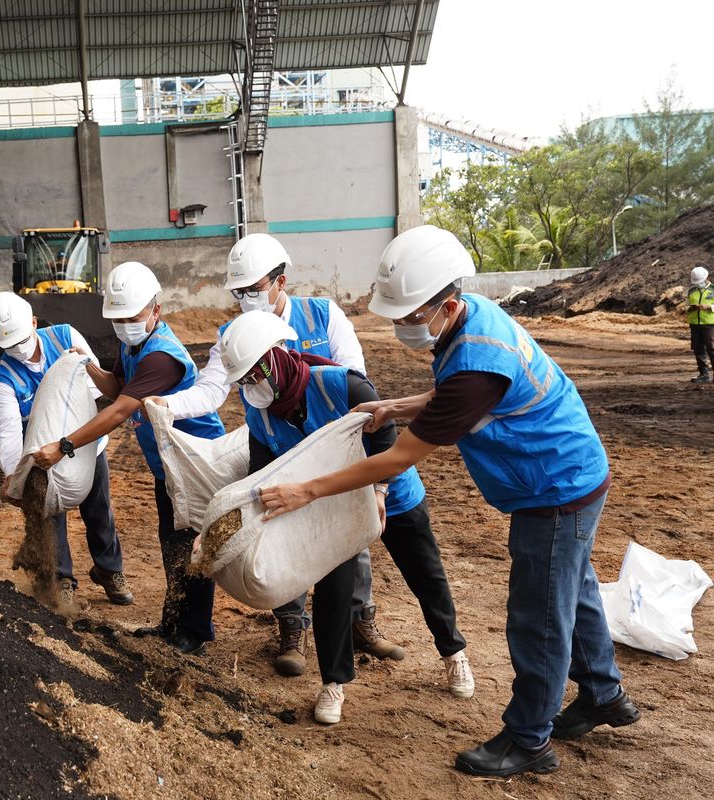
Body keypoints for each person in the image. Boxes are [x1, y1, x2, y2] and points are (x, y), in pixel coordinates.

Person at [257, 225, 639, 776]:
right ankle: (604, 694)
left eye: (410, 317)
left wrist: (306, 489)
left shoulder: (475, 361)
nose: (401, 328)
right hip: (567, 476)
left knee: (540, 616)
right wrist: (398, 405)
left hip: (554, 488)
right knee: (573, 592)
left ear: (447, 304)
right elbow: (451, 391)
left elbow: (395, 460)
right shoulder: (470, 322)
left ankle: (529, 738)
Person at [150, 233, 403, 673]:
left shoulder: (324, 317)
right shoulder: (232, 334)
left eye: (253, 288)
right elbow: (212, 389)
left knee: (347, 530)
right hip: (276, 446)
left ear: (280, 282)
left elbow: (355, 380)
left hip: (330, 449)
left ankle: (361, 620)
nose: (245, 299)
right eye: (238, 291)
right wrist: (170, 405)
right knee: (282, 530)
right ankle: (292, 629)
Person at [215, 310, 473, 724]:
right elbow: (262, 473)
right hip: (330, 505)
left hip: (391, 493)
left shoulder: (339, 383)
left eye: (253, 373)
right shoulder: (259, 413)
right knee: (333, 589)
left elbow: (385, 435)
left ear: (277, 355)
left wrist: (379, 491)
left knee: (426, 575)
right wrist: (224, 523)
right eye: (243, 379)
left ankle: (453, 652)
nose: (251, 385)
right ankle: (334, 683)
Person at [32, 262, 225, 654]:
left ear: (156, 309)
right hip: (167, 465)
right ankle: (173, 625)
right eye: (117, 318)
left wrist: (64, 445)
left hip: (193, 462)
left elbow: (119, 409)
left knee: (190, 546)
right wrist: (86, 365)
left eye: (131, 316)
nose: (123, 325)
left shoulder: (162, 358)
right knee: (172, 542)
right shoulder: (132, 344)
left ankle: (195, 633)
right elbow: (117, 384)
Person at [0, 291, 133, 607]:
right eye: (9, 346)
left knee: (98, 509)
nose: (19, 350)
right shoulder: (4, 379)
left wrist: (70, 436)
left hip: (85, 443)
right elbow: (10, 431)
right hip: (44, 458)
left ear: (35, 323)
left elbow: (95, 386)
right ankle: (61, 578)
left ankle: (108, 570)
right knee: (49, 512)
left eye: (22, 339)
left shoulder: (65, 336)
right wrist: (15, 475)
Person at [686, 266, 713, 383]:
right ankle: (704, 374)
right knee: (698, 349)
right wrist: (690, 309)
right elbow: (687, 305)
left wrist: (710, 307)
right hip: (695, 325)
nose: (698, 284)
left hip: (710, 324)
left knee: (712, 349)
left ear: (706, 278)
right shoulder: (691, 291)